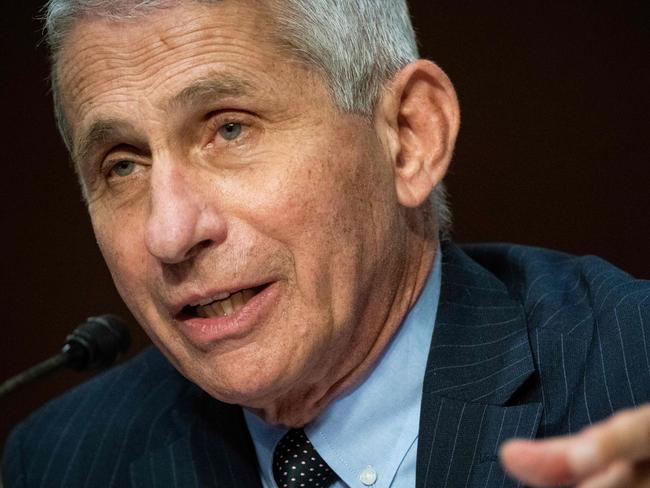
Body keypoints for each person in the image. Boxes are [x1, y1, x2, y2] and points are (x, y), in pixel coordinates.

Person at [2, 0, 649, 487]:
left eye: (229, 130)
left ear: (408, 135)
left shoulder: (630, 373)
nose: (170, 234)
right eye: (122, 164)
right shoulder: (64, 459)